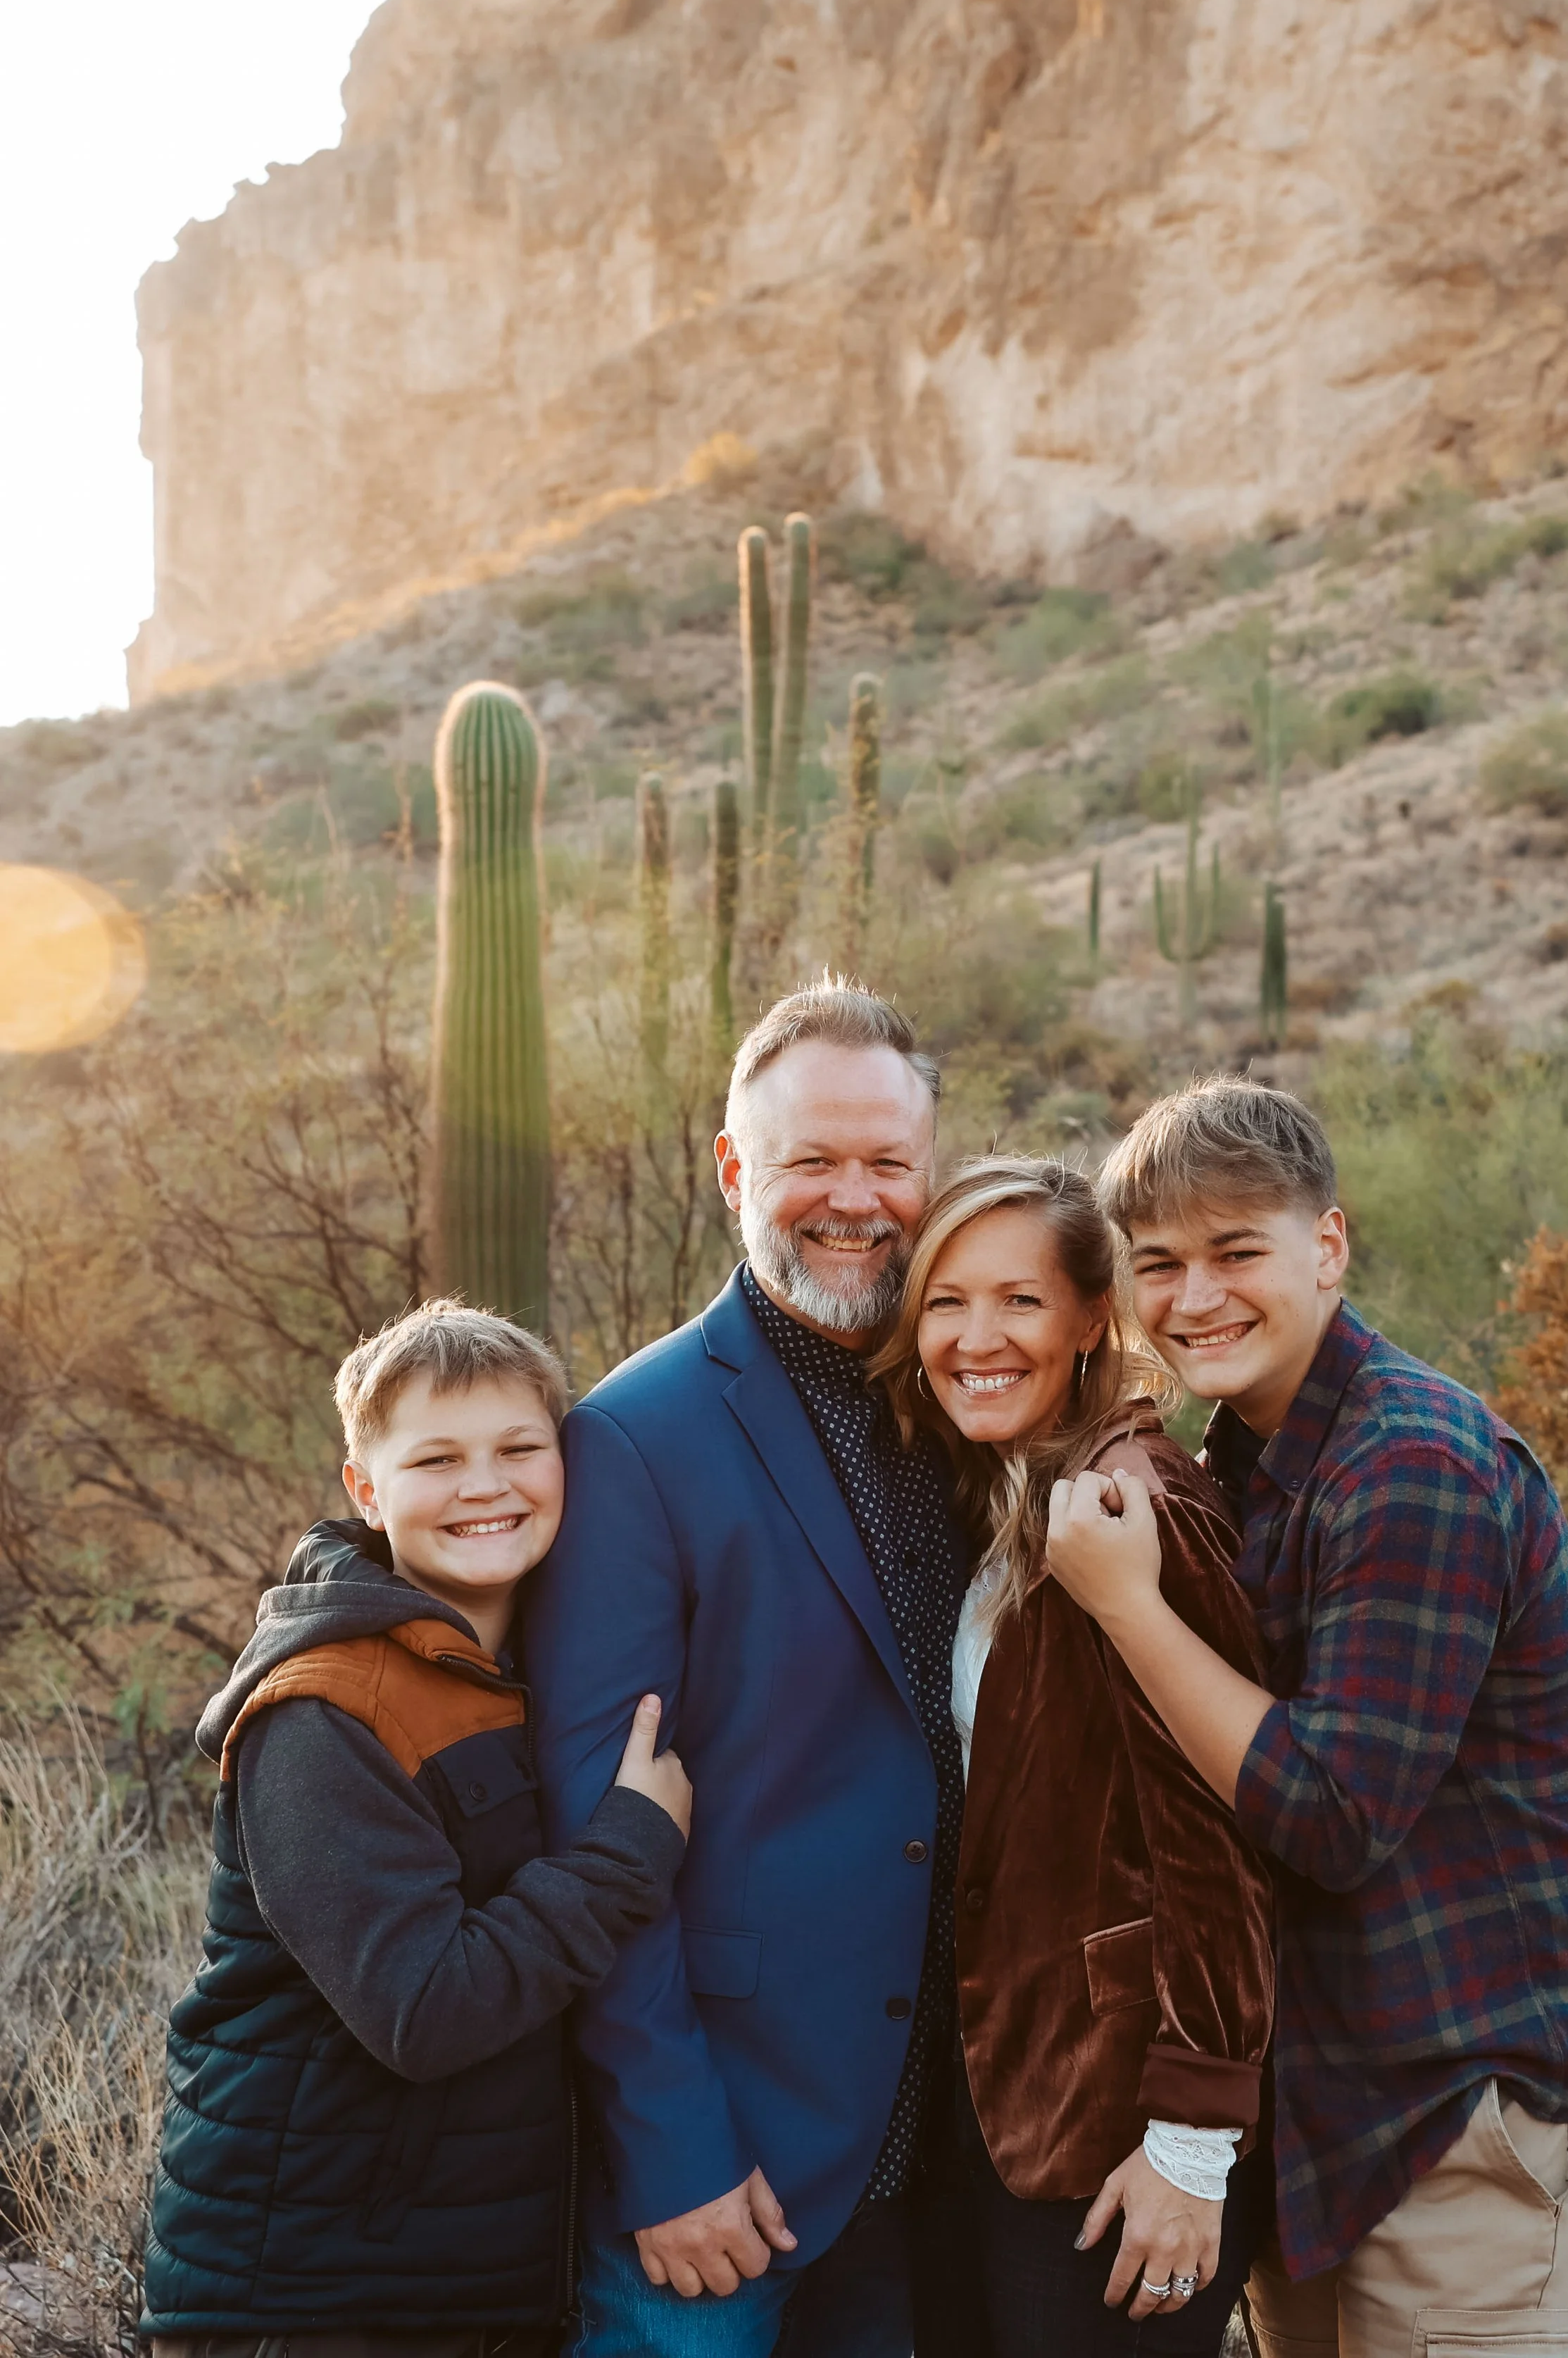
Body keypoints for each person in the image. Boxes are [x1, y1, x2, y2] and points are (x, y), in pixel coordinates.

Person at [1043, 1073, 1568, 2358]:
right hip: (1344, 2106)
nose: (1195, 1296)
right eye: (1159, 1262)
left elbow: (1332, 1813)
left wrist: (1126, 1607)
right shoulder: (1249, 1456)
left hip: (1470, 2103)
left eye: (1235, 1251)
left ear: (1327, 1246)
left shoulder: (1411, 1464)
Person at [523, 978, 966, 2358]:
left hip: (941, 2149)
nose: (854, 1197)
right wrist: (672, 2148)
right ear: (733, 1170)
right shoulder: (634, 1439)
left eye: (887, 1161)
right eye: (809, 1160)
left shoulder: (970, 1400)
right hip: (727, 2164)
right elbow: (596, 1825)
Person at [141, 1299, 691, 2358]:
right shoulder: (323, 1708)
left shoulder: (547, 1669)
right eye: (437, 1458)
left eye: (518, 1448)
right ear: (366, 1487)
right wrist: (628, 1848)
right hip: (310, 2301)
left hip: (467, 2284)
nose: (484, 1485)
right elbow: (425, 2008)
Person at [870, 1156, 1275, 2357]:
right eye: (945, 1300)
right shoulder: (1010, 1496)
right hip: (1012, 2105)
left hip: (1122, 2140)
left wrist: (1193, 2148)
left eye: (1019, 1300)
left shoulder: (1136, 1503)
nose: (975, 1336)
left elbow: (1223, 1843)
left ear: (1094, 1316)